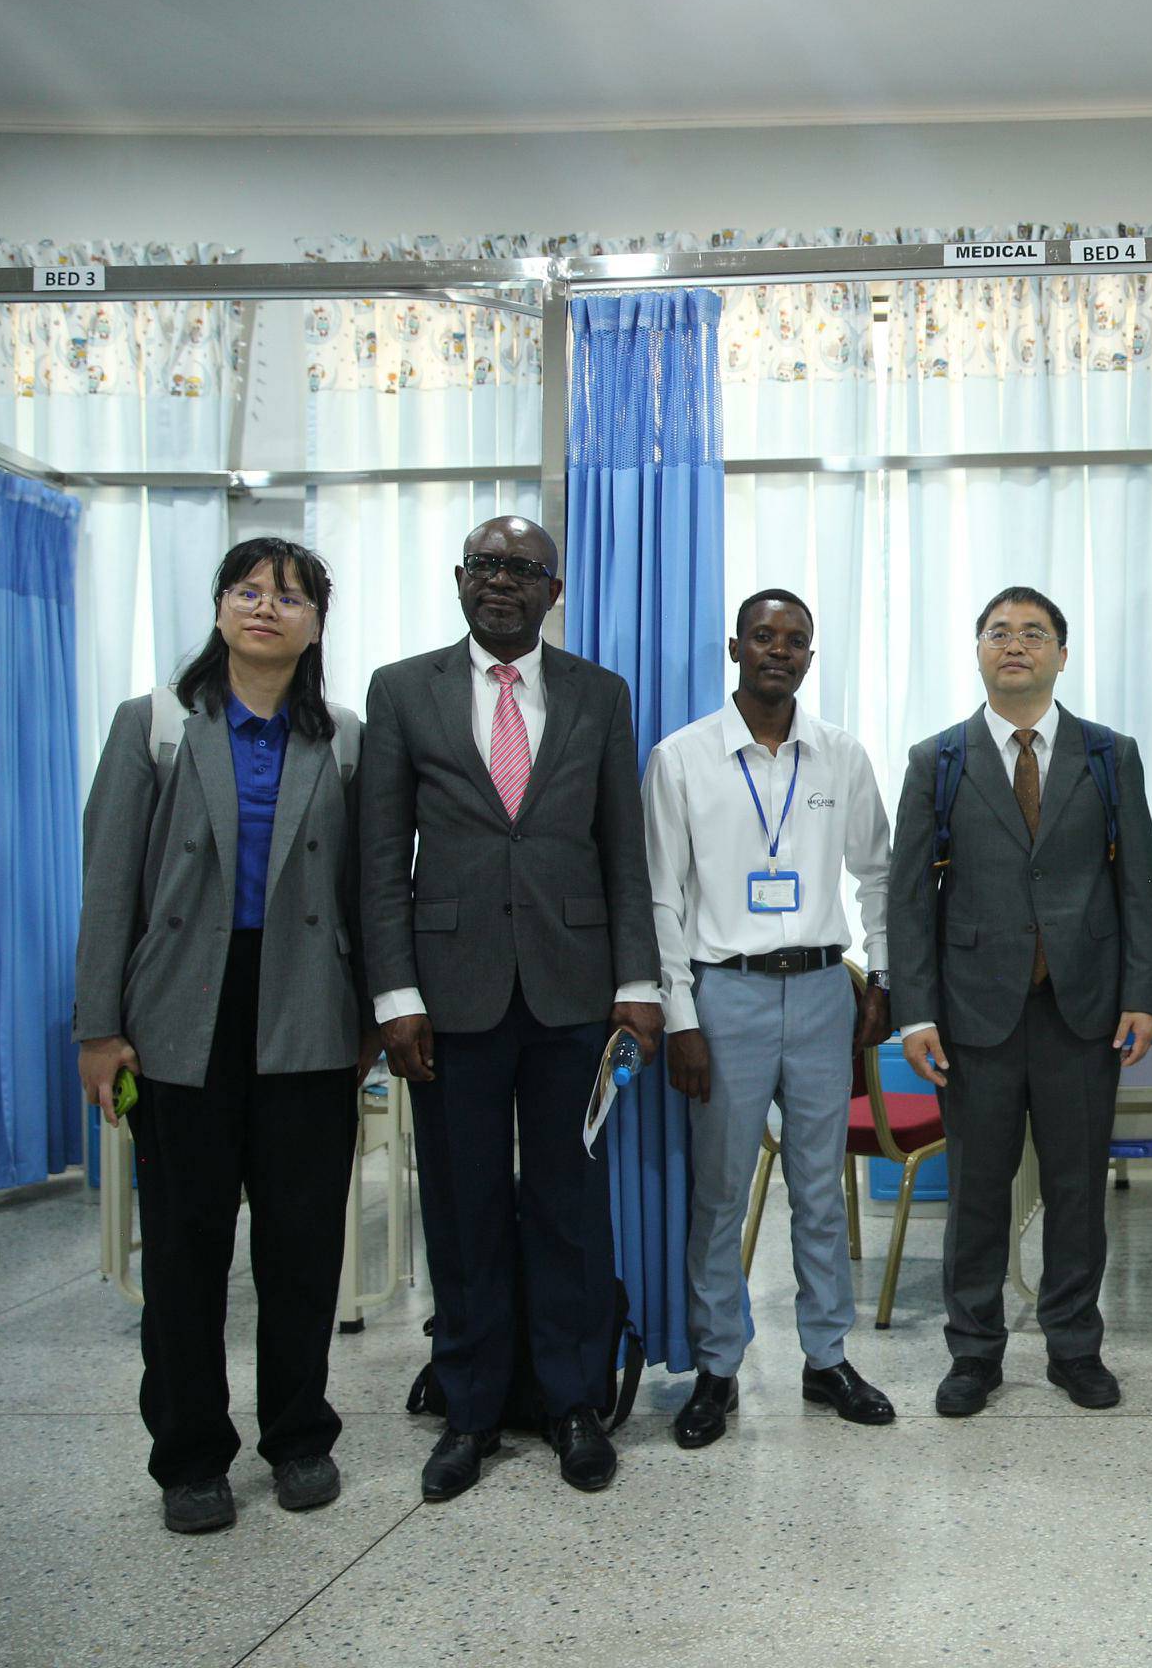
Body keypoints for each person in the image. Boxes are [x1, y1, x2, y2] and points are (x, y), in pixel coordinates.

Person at [360, 516, 664, 1502]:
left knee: (571, 1204)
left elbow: (623, 849)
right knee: (464, 1207)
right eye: (486, 566)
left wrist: (639, 986)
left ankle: (574, 1401)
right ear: (460, 579)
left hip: (576, 993)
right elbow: (380, 861)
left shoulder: (599, 694)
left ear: (553, 590)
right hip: (448, 998)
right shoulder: (401, 691)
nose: (502, 581)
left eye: (523, 569)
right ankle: (472, 1408)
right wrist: (395, 995)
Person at [75, 538, 372, 1534]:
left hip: (307, 1012)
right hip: (180, 1015)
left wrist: (373, 1016)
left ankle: (300, 1439)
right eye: (247, 591)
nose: (264, 609)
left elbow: (367, 889)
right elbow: (109, 885)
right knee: (186, 1247)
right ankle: (191, 1455)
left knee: (302, 1244)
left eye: (288, 597)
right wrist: (98, 1028)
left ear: (316, 625)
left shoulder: (343, 737)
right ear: (218, 608)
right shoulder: (155, 724)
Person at [889, 587, 1152, 1418]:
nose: (1016, 644)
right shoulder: (936, 760)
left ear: (1062, 654)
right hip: (973, 1015)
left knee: (1078, 1189)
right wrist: (915, 1012)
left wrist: (1142, 995)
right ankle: (973, 1353)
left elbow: (1139, 884)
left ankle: (1075, 1347)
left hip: (1083, 1010)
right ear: (978, 650)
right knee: (977, 1190)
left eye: (1034, 633)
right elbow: (909, 900)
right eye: (999, 632)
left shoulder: (1108, 754)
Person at [644, 589, 897, 1443]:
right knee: (720, 1193)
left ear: (809, 658)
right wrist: (681, 1016)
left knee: (821, 1190)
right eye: (762, 636)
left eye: (794, 640)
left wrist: (881, 978)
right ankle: (718, 1367)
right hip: (726, 996)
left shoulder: (841, 756)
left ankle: (827, 1358)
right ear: (735, 648)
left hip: (823, 993)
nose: (778, 651)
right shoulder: (681, 759)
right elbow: (661, 898)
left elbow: (879, 875)